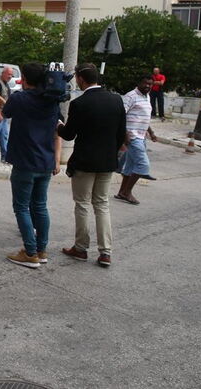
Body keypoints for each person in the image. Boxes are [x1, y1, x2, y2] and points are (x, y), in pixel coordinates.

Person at [58, 63, 126, 268]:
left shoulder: (80, 104)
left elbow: (69, 134)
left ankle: (81, 247)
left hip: (85, 162)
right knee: (102, 204)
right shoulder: (116, 100)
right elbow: (121, 134)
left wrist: (59, 125)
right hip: (107, 162)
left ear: (80, 78)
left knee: (82, 204)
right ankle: (106, 252)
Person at [2, 63, 62, 269]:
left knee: (21, 207)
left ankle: (30, 252)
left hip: (25, 162)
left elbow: (6, 112)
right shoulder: (53, 100)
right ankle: (42, 250)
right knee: (40, 206)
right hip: (45, 161)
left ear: (24, 79)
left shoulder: (20, 98)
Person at [116, 75, 158, 206]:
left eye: (150, 84)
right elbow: (120, 115)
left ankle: (122, 192)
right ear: (139, 82)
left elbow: (144, 117)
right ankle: (127, 192)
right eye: (145, 83)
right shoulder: (131, 96)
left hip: (141, 136)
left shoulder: (147, 96)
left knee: (129, 166)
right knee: (143, 165)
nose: (148, 86)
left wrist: (151, 132)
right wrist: (125, 135)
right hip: (132, 137)